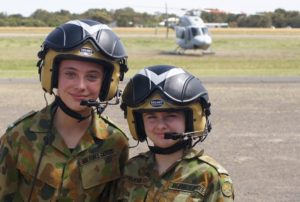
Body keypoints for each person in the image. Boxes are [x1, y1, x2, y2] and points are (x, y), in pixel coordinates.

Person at [0, 19, 129, 201]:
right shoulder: (18, 136)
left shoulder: (115, 142)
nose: (81, 86)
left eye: (92, 76)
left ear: (107, 84)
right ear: (52, 76)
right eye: (70, 74)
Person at [117, 65, 234, 201]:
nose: (160, 126)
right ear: (138, 122)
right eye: (151, 117)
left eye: (171, 116)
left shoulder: (208, 176)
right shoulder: (132, 169)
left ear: (191, 120)